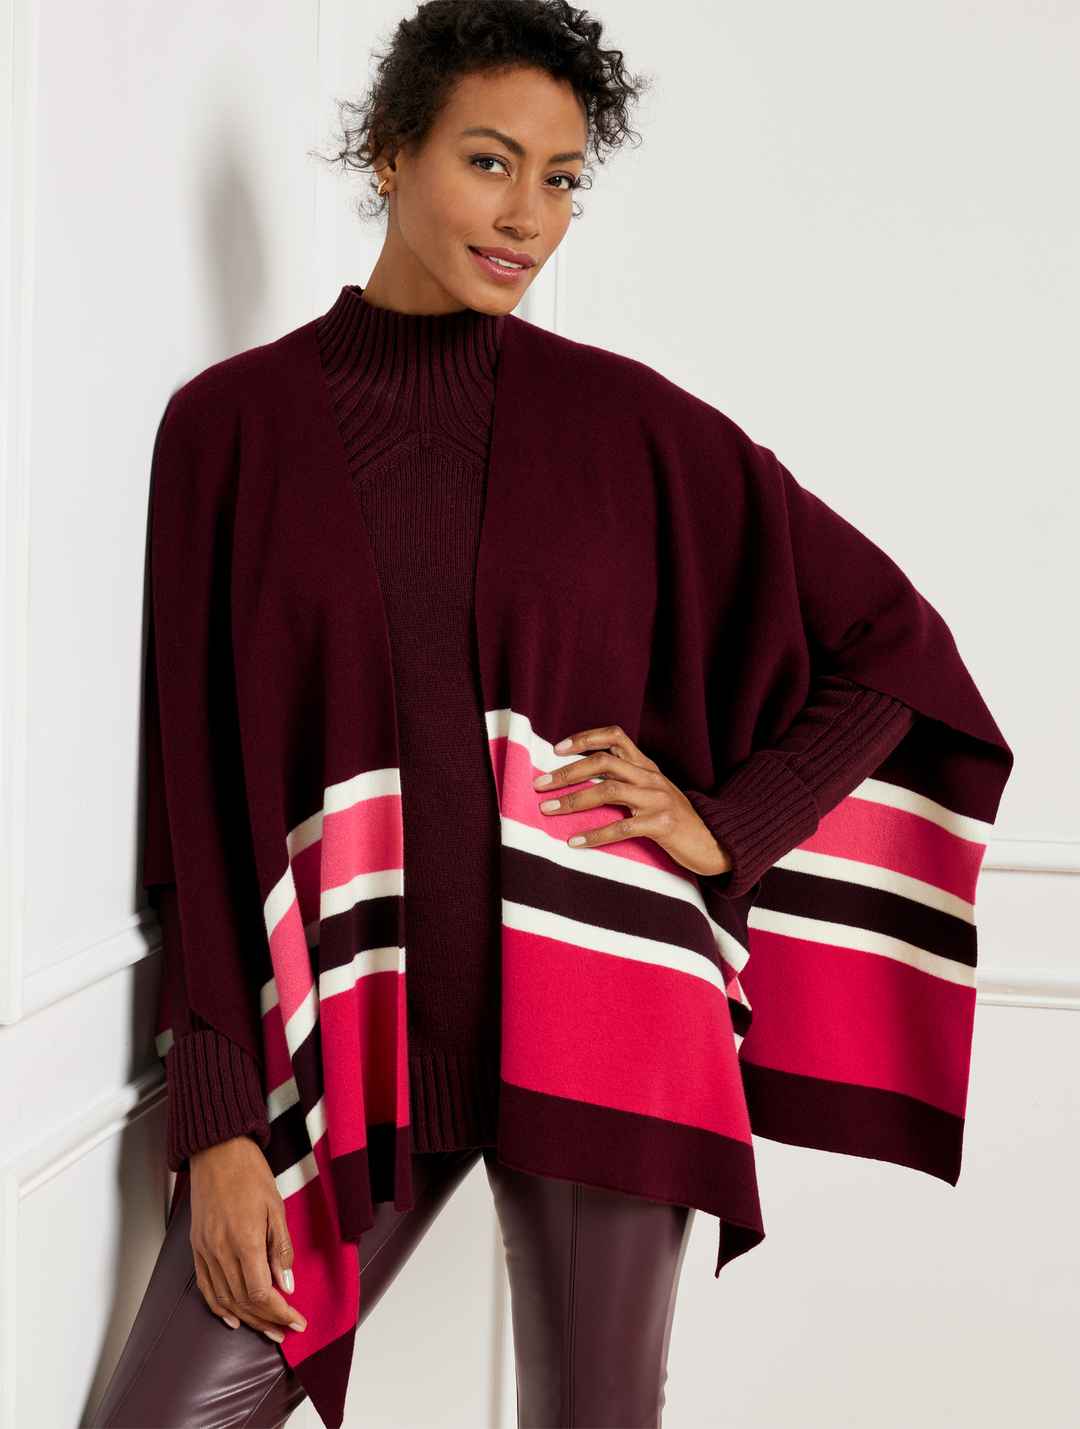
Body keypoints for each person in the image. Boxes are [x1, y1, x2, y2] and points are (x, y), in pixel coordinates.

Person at [89, 2, 1009, 1426]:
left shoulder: (629, 424)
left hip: (608, 1001)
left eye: (564, 177)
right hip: (351, 1035)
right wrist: (215, 1121)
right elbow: (200, 801)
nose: (529, 215)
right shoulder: (229, 429)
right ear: (390, 153)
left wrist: (727, 826)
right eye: (490, 161)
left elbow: (898, 644)